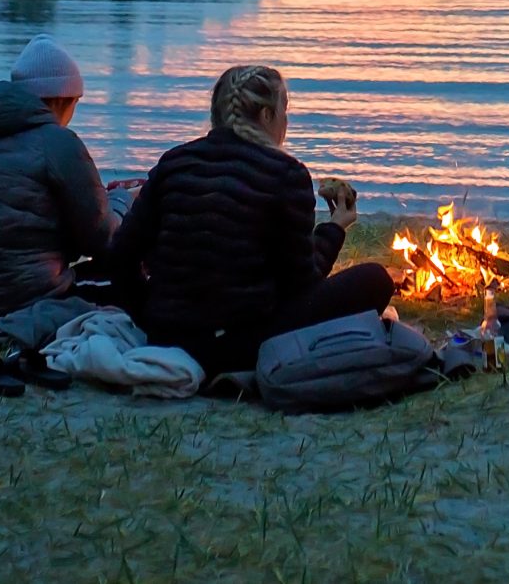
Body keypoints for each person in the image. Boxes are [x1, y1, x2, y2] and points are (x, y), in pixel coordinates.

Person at [104, 63, 395, 375]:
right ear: (267, 116)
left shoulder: (174, 162)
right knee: (375, 279)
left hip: (165, 338)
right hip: (242, 346)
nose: (287, 119)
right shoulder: (286, 173)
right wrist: (335, 227)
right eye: (285, 109)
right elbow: (302, 283)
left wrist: (150, 316)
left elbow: (120, 256)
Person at [0, 35, 114, 335]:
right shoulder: (58, 142)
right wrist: (124, 203)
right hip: (26, 307)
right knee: (130, 280)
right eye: (75, 102)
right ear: (61, 99)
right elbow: (101, 241)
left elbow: (30, 228)